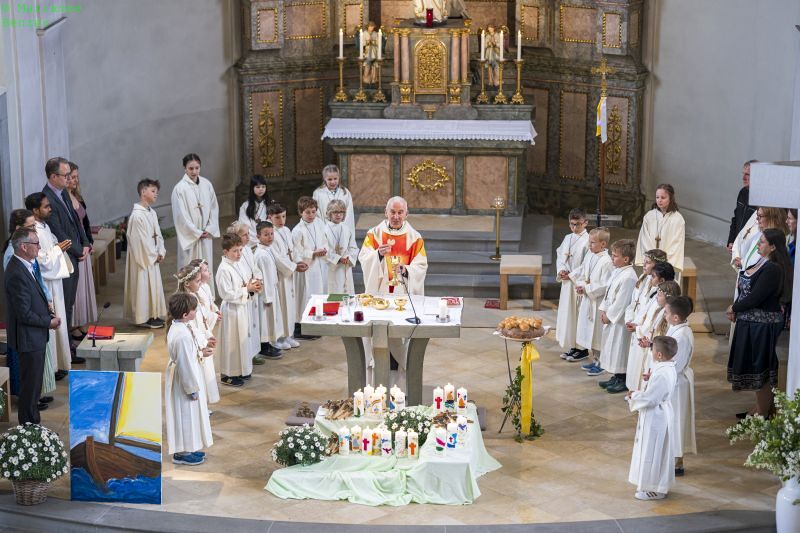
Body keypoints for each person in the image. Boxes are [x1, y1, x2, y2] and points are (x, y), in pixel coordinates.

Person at [727, 228, 793, 417]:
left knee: (761, 370)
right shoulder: (764, 262)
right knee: (757, 368)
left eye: (762, 242)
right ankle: (759, 409)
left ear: (773, 247)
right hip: (752, 323)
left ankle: (763, 414)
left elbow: (756, 297)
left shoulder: (773, 269)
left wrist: (734, 308)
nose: (758, 244)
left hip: (762, 326)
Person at [4, 228, 62, 424]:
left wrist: (47, 311)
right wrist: (48, 322)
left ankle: (33, 425)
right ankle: (29, 428)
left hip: (35, 335)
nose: (39, 247)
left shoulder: (26, 265)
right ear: (23, 247)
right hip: (28, 337)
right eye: (36, 244)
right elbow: (23, 313)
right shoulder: (16, 272)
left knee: (35, 385)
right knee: (30, 387)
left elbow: (32, 299)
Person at [41, 157, 90, 348]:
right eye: (65, 175)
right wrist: (78, 251)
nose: (69, 178)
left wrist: (85, 243)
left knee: (69, 304)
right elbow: (58, 232)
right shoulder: (47, 198)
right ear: (53, 176)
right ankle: (67, 348)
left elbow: (76, 222)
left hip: (74, 254)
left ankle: (68, 348)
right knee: (65, 305)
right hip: (64, 259)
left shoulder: (63, 192)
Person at [25, 193, 73, 377]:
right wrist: (58, 249)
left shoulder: (45, 226)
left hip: (55, 281)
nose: (50, 209)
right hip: (45, 283)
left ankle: (60, 363)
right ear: (35, 210)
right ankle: (52, 368)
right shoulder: (33, 232)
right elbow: (41, 260)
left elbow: (52, 249)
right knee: (51, 327)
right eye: (46, 206)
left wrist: (59, 247)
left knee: (60, 325)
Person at [626, 335, 678, 501]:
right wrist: (651, 378)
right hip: (660, 414)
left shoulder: (662, 373)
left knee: (654, 451)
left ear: (659, 355)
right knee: (654, 450)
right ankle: (651, 484)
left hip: (657, 417)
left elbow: (651, 398)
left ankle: (656, 489)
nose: (652, 351)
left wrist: (634, 395)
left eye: (653, 349)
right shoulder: (666, 367)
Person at [165, 292, 213, 466]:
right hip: (184, 380)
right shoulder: (182, 335)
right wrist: (191, 389)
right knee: (185, 414)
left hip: (187, 374)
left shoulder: (182, 326)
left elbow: (188, 355)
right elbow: (184, 364)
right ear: (185, 314)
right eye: (194, 309)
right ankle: (182, 453)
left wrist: (200, 353)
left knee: (191, 414)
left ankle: (189, 448)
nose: (196, 311)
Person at [216, 233, 262, 387]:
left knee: (242, 339)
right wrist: (247, 289)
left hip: (242, 307)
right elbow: (226, 294)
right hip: (232, 310)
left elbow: (245, 282)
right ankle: (228, 374)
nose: (239, 254)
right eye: (235, 251)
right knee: (232, 342)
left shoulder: (237, 264)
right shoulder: (224, 269)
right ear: (226, 252)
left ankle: (241, 369)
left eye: (240, 250)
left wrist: (253, 285)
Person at [171, 153, 221, 293]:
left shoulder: (207, 184)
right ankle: (188, 298)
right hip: (191, 238)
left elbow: (214, 208)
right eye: (190, 168)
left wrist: (209, 229)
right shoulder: (179, 189)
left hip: (205, 235)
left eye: (197, 168)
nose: (194, 171)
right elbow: (180, 216)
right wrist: (197, 232)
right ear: (185, 168)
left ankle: (207, 297)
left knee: (205, 267)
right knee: (189, 268)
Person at [358, 196, 428, 296]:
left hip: (403, 293)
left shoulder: (415, 238)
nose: (396, 217)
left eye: (400, 212)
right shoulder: (374, 234)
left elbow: (421, 266)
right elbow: (364, 258)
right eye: (392, 212)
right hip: (381, 291)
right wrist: (378, 254)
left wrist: (405, 270)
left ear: (406, 214)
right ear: (386, 212)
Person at [624, 260, 674, 392]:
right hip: (644, 338)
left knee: (645, 371)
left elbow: (654, 325)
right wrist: (636, 324)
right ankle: (635, 391)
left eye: (653, 276)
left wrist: (639, 330)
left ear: (661, 280)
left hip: (649, 343)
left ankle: (640, 393)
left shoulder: (664, 304)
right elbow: (644, 313)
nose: (650, 278)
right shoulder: (657, 295)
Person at [124, 179, 167, 329]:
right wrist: (154, 255)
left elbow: (158, 235)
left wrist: (161, 251)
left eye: (156, 191)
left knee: (153, 286)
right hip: (143, 259)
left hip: (153, 257)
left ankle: (153, 314)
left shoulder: (151, 212)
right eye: (153, 191)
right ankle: (143, 317)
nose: (156, 194)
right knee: (143, 287)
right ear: (143, 192)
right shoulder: (137, 216)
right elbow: (140, 242)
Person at [596, 239, 638, 393]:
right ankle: (616, 376)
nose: (612, 258)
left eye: (615, 256)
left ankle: (623, 378)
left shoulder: (629, 277)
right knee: (612, 348)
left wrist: (609, 316)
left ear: (625, 259)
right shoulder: (618, 271)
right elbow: (608, 293)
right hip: (611, 317)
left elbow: (622, 302)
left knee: (619, 349)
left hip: (620, 321)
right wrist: (604, 310)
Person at [176, 261, 220, 406]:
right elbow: (192, 328)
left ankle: (203, 406)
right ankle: (201, 406)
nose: (200, 283)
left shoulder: (194, 296)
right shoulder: (187, 303)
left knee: (205, 376)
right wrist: (203, 342)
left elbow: (202, 319)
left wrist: (208, 335)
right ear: (187, 283)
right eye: (197, 281)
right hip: (197, 346)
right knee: (200, 376)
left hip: (202, 341)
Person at [567, 227, 612, 365]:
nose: (589, 245)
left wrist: (586, 288)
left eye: (592, 242)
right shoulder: (590, 255)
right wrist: (580, 284)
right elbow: (583, 273)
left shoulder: (607, 261)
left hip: (598, 303)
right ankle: (595, 360)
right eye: (589, 242)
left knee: (597, 334)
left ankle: (600, 362)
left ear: (603, 244)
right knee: (588, 332)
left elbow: (605, 284)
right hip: (588, 299)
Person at [663, 295, 696, 476]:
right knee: (670, 420)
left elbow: (676, 363)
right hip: (671, 381)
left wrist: (658, 373)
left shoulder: (682, 336)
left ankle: (677, 462)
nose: (664, 315)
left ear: (676, 317)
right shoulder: (676, 328)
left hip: (676, 383)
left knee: (676, 421)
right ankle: (670, 457)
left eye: (666, 313)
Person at [65, 162, 98, 336]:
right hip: (73, 250)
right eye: (72, 177)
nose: (76, 180)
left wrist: (89, 243)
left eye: (77, 177)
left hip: (83, 247)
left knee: (83, 288)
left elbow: (85, 224)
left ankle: (79, 323)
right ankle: (72, 325)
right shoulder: (62, 200)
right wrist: (78, 248)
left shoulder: (78, 197)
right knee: (75, 289)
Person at [227, 221, 267, 364]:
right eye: (244, 235)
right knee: (247, 326)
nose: (248, 237)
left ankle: (254, 352)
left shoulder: (248, 250)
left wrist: (258, 279)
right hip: (244, 293)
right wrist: (248, 285)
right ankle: (246, 355)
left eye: (248, 234)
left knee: (254, 323)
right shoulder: (234, 255)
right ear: (235, 236)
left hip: (252, 289)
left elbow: (254, 268)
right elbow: (237, 274)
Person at [268, 203, 305, 348]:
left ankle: (289, 335)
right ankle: (280, 338)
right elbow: (278, 258)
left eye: (283, 216)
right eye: (277, 217)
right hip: (280, 275)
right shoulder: (271, 234)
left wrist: (298, 261)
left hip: (289, 273)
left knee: (290, 305)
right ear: (270, 217)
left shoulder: (286, 230)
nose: (281, 220)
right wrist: (294, 267)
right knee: (282, 305)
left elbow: (293, 250)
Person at [556, 208, 590, 360]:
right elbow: (560, 256)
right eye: (572, 224)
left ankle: (582, 349)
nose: (574, 228)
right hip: (567, 283)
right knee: (568, 315)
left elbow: (587, 264)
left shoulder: (589, 240)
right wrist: (561, 270)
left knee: (579, 315)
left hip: (578, 283)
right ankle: (573, 345)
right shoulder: (567, 238)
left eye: (578, 224)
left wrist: (571, 275)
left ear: (585, 223)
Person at [292, 197, 328, 335]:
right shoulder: (297, 230)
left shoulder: (319, 223)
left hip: (319, 265)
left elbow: (325, 240)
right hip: (306, 267)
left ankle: (316, 321)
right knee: (305, 295)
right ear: (300, 212)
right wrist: (312, 253)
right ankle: (302, 325)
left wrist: (324, 249)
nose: (311, 215)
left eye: (313, 211)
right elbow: (296, 251)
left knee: (318, 293)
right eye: (307, 212)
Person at [635, 184, 685, 275]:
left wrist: (662, 260)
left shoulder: (678, 219)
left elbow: (677, 243)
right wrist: (653, 258)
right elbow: (644, 239)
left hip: (668, 261)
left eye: (663, 197)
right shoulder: (649, 216)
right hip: (651, 261)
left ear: (670, 198)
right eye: (657, 197)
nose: (659, 200)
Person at [254, 221, 285, 358]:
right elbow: (265, 278)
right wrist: (267, 298)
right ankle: (264, 347)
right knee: (265, 321)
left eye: (272, 234)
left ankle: (269, 344)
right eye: (266, 235)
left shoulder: (268, 250)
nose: (270, 237)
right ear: (258, 236)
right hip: (266, 294)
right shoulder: (262, 255)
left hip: (271, 290)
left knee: (270, 320)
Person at [324, 199, 359, 294]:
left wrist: (349, 257)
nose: (338, 215)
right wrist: (338, 259)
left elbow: (353, 247)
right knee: (334, 294)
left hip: (345, 267)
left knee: (347, 295)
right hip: (332, 268)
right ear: (329, 213)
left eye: (341, 212)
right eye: (335, 212)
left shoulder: (347, 229)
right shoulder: (324, 230)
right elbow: (324, 250)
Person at [313, 164, 355, 237]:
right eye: (329, 179)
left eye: (335, 179)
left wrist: (344, 228)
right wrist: (324, 228)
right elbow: (317, 213)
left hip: (342, 228)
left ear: (339, 178)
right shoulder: (318, 193)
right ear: (324, 179)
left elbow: (349, 213)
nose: (333, 182)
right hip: (325, 228)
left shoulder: (345, 193)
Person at [727, 160, 759, 253]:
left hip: (752, 249)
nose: (743, 178)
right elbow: (736, 219)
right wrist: (731, 241)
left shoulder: (762, 200)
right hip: (738, 245)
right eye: (743, 174)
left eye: (747, 174)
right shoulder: (743, 192)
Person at [238, 174, 272, 245]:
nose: (261, 189)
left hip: (268, 239)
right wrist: (257, 238)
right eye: (258, 187)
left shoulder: (270, 204)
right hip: (251, 240)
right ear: (252, 188)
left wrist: (264, 237)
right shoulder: (245, 206)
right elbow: (244, 225)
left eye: (263, 186)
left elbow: (273, 223)